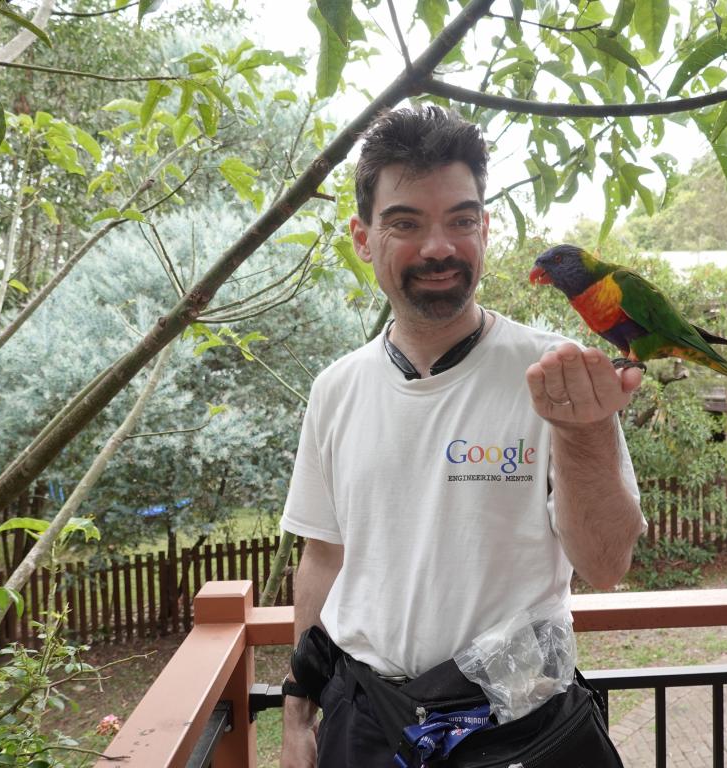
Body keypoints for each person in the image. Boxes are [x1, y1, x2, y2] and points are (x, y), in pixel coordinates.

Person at [279, 104, 645, 768]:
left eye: (461, 220)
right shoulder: (337, 389)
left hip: (521, 732)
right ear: (363, 239)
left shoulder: (556, 373)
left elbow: (606, 565)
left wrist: (583, 433)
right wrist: (298, 717)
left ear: (486, 228)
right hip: (364, 727)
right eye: (406, 223)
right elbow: (322, 561)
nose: (439, 247)